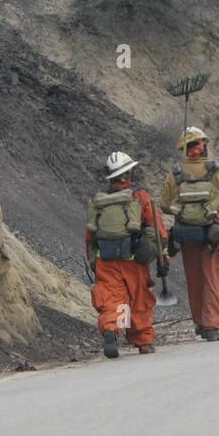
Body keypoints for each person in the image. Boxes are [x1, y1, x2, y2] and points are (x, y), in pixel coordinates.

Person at [86, 151, 168, 357]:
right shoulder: (139, 197)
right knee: (139, 298)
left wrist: (93, 262)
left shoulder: (98, 202)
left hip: (106, 260)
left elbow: (89, 237)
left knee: (114, 298)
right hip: (134, 261)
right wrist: (162, 256)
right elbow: (158, 231)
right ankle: (143, 341)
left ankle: (112, 329)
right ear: (129, 174)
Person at [160, 127, 219, 341]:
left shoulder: (175, 173)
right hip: (213, 232)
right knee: (213, 278)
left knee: (194, 279)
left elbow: (164, 204)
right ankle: (212, 325)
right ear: (203, 144)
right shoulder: (217, 171)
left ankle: (200, 324)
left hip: (186, 232)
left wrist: (185, 210)